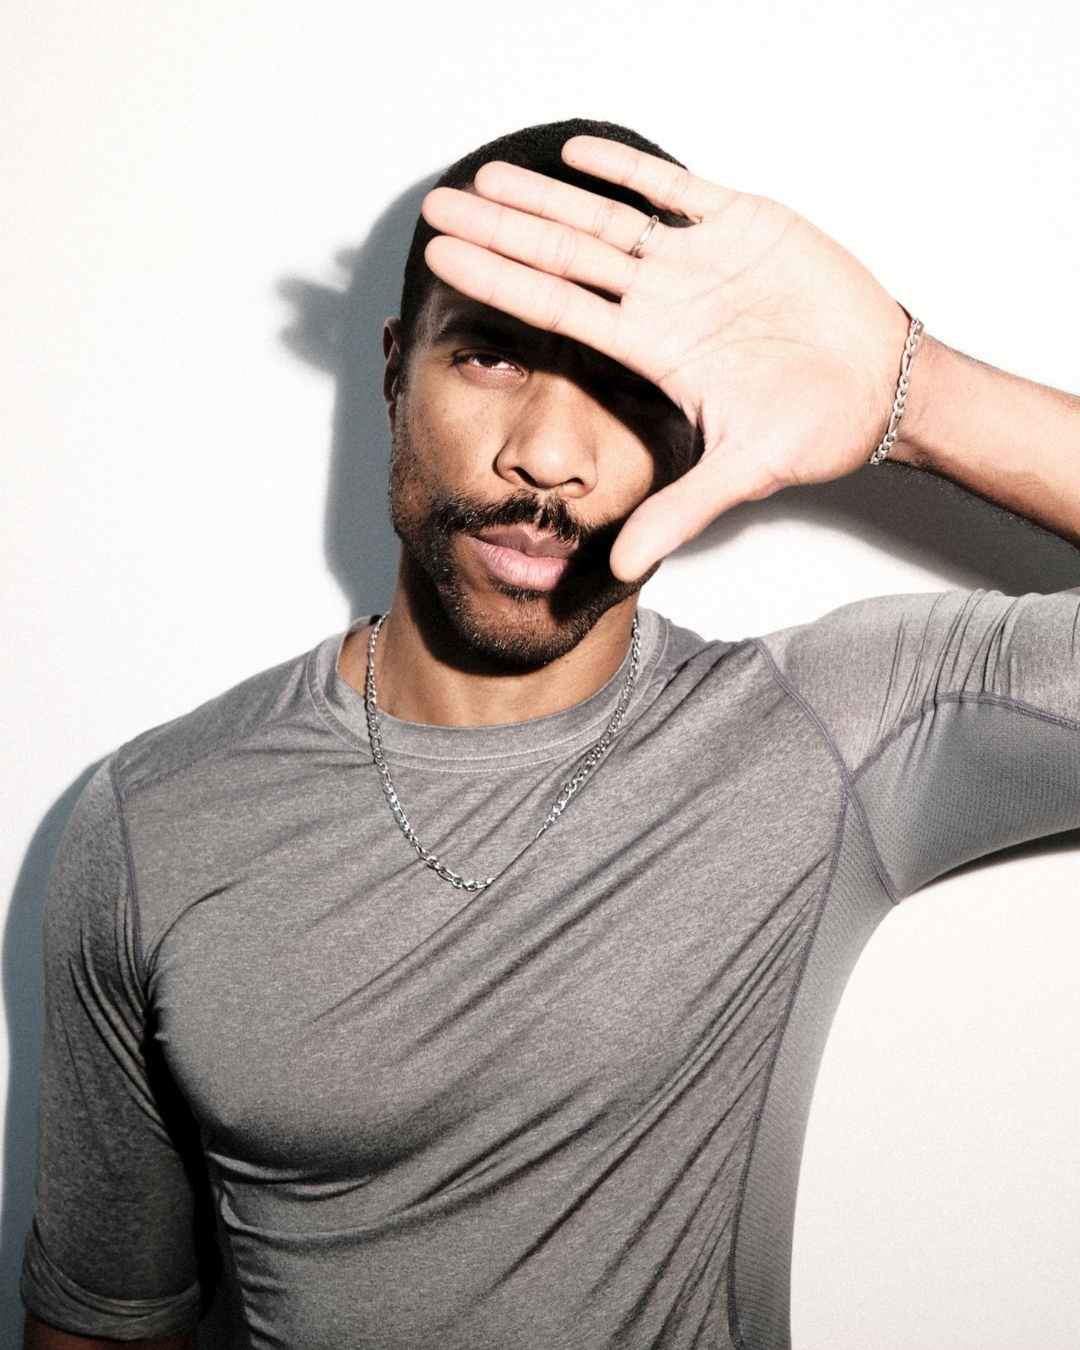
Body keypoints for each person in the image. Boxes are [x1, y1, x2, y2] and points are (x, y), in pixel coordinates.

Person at [19, 116, 1080, 1350]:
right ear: (393, 372)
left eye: (626, 383)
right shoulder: (156, 822)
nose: (547, 458)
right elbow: (105, 1321)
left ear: (695, 422)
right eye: (490, 357)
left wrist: (915, 391)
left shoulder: (818, 736)